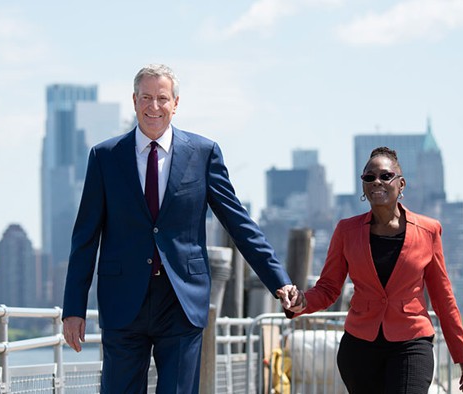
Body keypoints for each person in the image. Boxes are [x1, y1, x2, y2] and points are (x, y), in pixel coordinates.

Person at [62, 64, 299, 393]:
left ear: (176, 103)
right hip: (122, 301)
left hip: (181, 300)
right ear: (134, 101)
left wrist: (279, 280)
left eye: (162, 98)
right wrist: (73, 309)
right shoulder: (105, 157)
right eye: (146, 97)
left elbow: (238, 222)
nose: (153, 107)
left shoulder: (203, 154)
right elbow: (85, 238)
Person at [286, 147, 463, 393]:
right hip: (360, 347)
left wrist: (462, 353)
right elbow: (329, 288)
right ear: (363, 186)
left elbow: (443, 297)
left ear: (401, 183)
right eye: (369, 177)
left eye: (386, 176)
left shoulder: (429, 230)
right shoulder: (346, 231)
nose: (377, 181)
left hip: (411, 341)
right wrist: (301, 302)